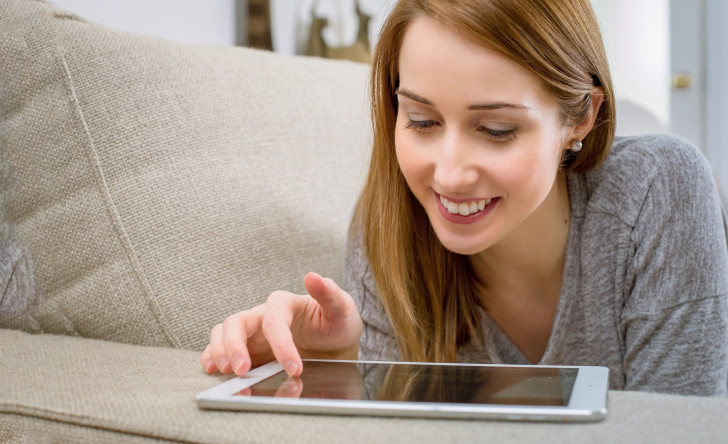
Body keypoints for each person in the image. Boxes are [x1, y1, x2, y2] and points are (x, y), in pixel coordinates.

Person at [201, 0, 728, 396]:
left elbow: (682, 425)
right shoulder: (388, 227)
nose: (449, 176)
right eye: (422, 121)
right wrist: (337, 369)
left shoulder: (660, 191)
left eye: (496, 129)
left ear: (581, 117)